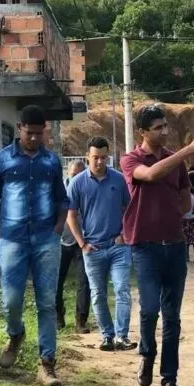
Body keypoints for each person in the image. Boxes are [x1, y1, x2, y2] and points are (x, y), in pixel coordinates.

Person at [121, 104, 194, 386]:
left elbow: (185, 199)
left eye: (165, 126)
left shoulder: (175, 162)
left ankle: (169, 380)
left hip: (174, 244)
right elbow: (152, 175)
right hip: (144, 246)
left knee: (172, 317)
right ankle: (147, 355)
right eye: (158, 127)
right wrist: (188, 151)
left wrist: (173, 211)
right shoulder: (131, 159)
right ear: (143, 132)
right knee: (148, 309)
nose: (164, 131)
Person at [0, 104, 69, 386]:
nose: (34, 138)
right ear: (19, 129)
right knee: (11, 300)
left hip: (46, 241)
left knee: (46, 303)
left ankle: (47, 365)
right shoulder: (2, 160)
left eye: (39, 133)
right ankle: (15, 333)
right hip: (12, 241)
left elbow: (62, 199)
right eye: (29, 133)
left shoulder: (52, 162)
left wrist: (57, 229)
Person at [67, 137, 136, 352]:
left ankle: (122, 336)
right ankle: (107, 335)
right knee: (98, 294)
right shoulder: (78, 182)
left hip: (117, 247)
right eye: (95, 157)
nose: (99, 162)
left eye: (103, 158)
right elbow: (71, 215)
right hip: (93, 249)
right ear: (87, 156)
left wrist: (124, 234)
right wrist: (82, 243)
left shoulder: (118, 180)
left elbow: (130, 208)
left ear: (108, 157)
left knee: (123, 289)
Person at [56, 159, 91, 334]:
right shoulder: (60, 191)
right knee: (56, 281)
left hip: (83, 241)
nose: (77, 178)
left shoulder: (89, 190)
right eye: (73, 175)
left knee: (84, 281)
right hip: (61, 241)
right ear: (68, 173)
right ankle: (58, 316)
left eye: (80, 174)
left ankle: (81, 320)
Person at [183, 186, 194, 263]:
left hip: (184, 218)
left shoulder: (182, 196)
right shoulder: (193, 196)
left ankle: (187, 256)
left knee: (185, 238)